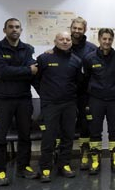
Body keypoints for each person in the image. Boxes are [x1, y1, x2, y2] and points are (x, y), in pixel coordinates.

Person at [0, 18, 39, 186]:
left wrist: (8, 72)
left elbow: (33, 70)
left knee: (25, 136)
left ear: (21, 30)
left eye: (17, 27)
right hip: (1, 100)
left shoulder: (28, 49)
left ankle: (23, 167)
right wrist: (26, 70)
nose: (14, 30)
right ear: (5, 30)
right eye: (11, 27)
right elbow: (0, 69)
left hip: (23, 99)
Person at [35, 31, 84, 182]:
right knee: (49, 137)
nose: (65, 41)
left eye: (67, 39)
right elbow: (35, 78)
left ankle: (65, 165)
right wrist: (45, 94)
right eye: (61, 39)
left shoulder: (76, 60)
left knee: (68, 136)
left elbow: (79, 83)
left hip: (69, 104)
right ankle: (45, 168)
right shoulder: (44, 58)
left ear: (71, 42)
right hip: (50, 105)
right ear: (55, 41)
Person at [83, 28, 115, 175]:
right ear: (99, 39)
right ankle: (95, 162)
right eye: (104, 39)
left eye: (109, 39)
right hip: (95, 100)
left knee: (114, 131)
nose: (107, 42)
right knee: (95, 131)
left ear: (112, 40)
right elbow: (86, 78)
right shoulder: (89, 58)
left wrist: (113, 89)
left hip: (114, 100)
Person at [69, 17, 98, 170]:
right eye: (74, 28)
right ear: (70, 28)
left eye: (80, 29)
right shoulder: (63, 45)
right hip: (66, 94)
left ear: (84, 30)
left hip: (86, 95)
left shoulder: (92, 48)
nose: (77, 31)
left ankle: (85, 155)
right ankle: (63, 159)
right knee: (65, 126)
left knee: (86, 125)